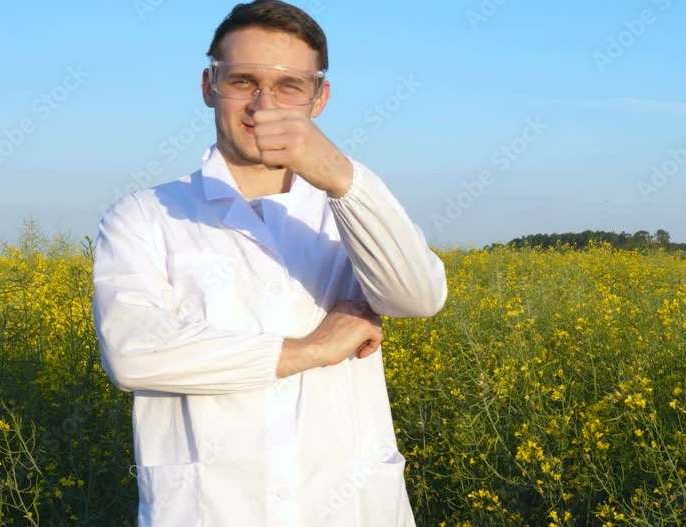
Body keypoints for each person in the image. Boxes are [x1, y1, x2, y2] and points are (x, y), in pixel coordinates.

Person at [90, 1, 447, 525]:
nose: (262, 104)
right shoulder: (143, 215)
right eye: (243, 81)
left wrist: (341, 177)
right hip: (210, 510)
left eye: (289, 86)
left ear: (319, 97)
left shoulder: (347, 208)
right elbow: (132, 353)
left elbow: (417, 298)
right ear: (209, 86)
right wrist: (311, 349)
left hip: (348, 507)